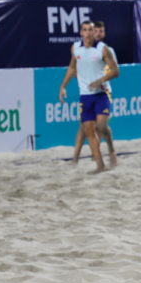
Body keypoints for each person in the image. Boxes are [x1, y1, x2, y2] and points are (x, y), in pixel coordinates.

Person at [59, 21, 119, 173]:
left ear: (94, 33)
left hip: (102, 93)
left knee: (101, 126)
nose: (88, 33)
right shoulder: (76, 48)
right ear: (81, 32)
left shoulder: (103, 49)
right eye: (85, 30)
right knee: (87, 130)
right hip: (85, 96)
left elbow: (116, 71)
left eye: (91, 30)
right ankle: (100, 165)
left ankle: (111, 150)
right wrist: (62, 86)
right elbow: (72, 67)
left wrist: (101, 80)